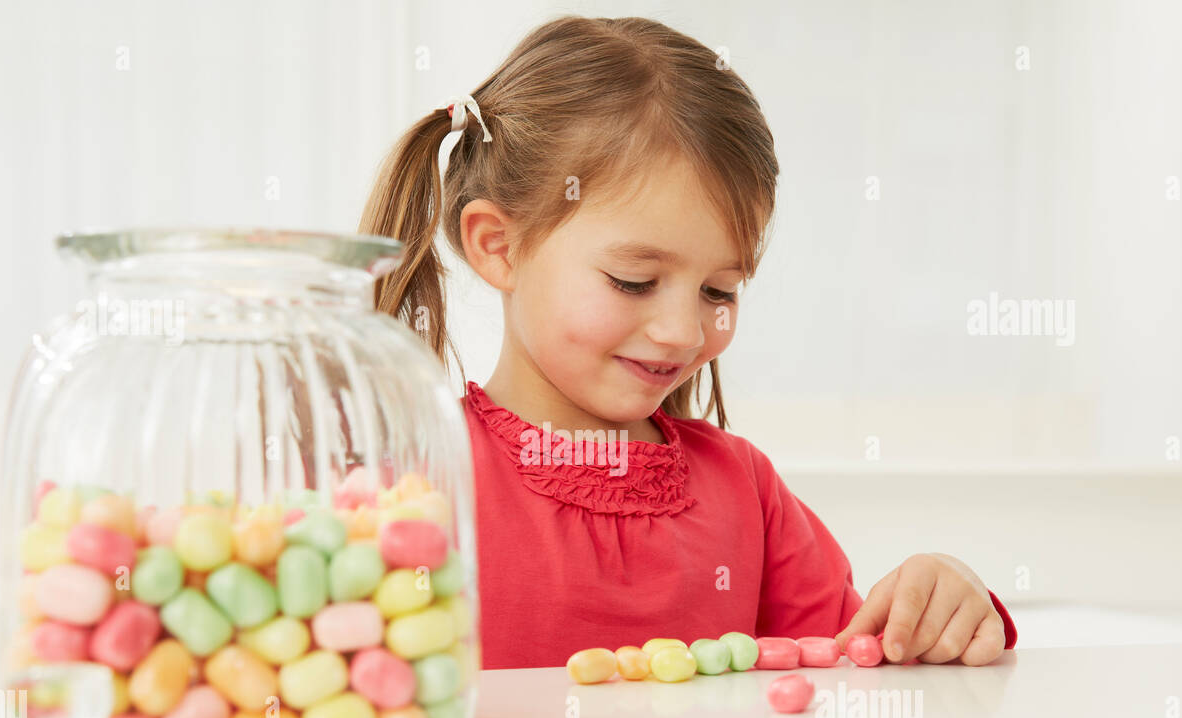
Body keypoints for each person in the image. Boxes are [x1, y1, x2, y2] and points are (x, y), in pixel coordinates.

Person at [359, 15, 1018, 670]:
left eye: (718, 292)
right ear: (499, 247)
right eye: (634, 280)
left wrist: (940, 612)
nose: (682, 331)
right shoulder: (415, 482)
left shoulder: (747, 495)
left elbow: (857, 667)